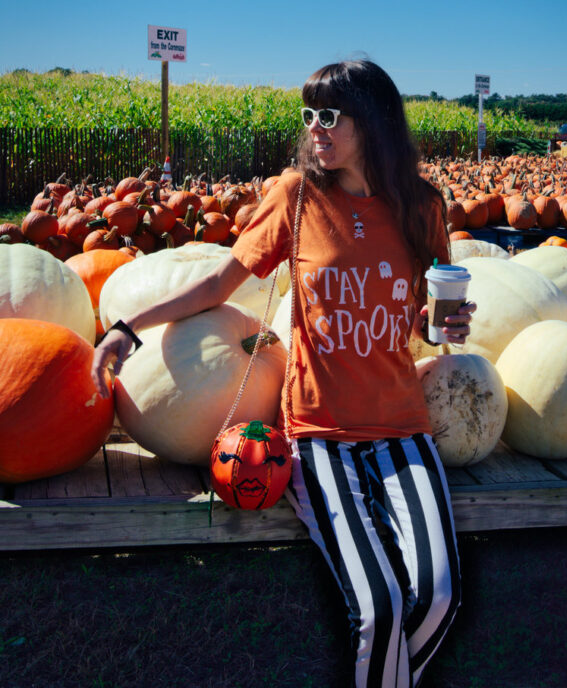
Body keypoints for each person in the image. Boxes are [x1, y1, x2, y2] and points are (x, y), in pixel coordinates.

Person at [92, 59, 475, 688]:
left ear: (373, 123)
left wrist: (445, 330)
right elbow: (219, 282)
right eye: (309, 115)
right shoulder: (295, 198)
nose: (315, 128)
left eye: (331, 115)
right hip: (321, 436)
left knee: (439, 597)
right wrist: (128, 326)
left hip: (404, 429)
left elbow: (420, 322)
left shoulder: (422, 207)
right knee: (378, 610)